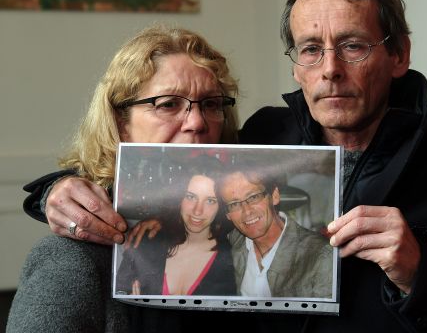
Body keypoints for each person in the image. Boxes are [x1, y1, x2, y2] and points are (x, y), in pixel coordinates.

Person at [17, 0, 427, 332]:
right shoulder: (265, 135)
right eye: (311, 49)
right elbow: (151, 167)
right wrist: (52, 191)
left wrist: (418, 275)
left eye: (354, 46)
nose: (330, 69)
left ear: (398, 54)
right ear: (295, 64)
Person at [7, 25, 255, 332]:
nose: (197, 121)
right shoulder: (71, 259)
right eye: (167, 104)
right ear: (121, 122)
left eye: (211, 104)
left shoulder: (242, 236)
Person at [116, 159, 236, 296]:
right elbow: (118, 295)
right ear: (179, 198)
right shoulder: (148, 238)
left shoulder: (232, 256)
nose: (198, 211)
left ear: (221, 206)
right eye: (191, 197)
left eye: (210, 201)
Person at [216, 157, 332, 298]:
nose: (247, 211)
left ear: (275, 196)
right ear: (228, 214)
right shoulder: (230, 244)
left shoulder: (320, 254)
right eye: (234, 204)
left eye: (253, 197)